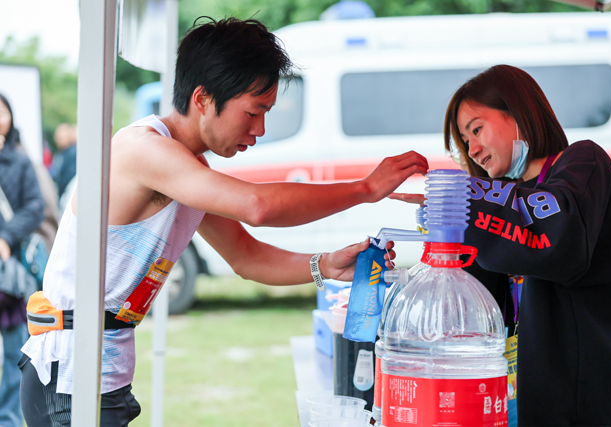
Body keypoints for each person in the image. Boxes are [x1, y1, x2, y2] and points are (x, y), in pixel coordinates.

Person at [19, 17, 429, 426]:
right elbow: (257, 206)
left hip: (102, 374)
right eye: (253, 111)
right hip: (68, 374)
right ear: (203, 98)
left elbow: (246, 256)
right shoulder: (143, 149)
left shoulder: (189, 167)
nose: (260, 129)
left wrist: (324, 266)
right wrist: (365, 189)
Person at [391, 64, 611, 426]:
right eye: (464, 142)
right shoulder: (502, 200)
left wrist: (467, 196)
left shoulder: (583, 162)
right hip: (527, 398)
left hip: (597, 401)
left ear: (519, 112)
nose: (473, 149)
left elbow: (558, 239)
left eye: (477, 129)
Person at [0, 93, 45, 427]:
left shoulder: (20, 160)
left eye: (2, 112)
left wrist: (5, 237)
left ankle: (9, 419)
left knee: (16, 350)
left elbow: (34, 207)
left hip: (9, 271)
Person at [49, 123, 77, 199]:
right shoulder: (60, 153)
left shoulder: (72, 154)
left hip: (67, 194)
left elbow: (68, 177)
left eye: (62, 138)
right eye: (58, 137)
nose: (59, 140)